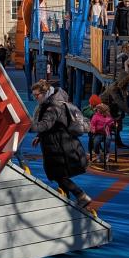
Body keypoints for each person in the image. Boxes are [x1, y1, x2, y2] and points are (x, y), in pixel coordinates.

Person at [30, 79, 93, 212]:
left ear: (45, 92)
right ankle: (67, 199)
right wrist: (39, 137)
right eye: (34, 95)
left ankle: (81, 195)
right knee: (58, 173)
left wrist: (27, 125)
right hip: (59, 143)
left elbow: (45, 124)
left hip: (59, 146)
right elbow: (55, 125)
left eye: (37, 95)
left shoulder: (52, 106)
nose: (35, 98)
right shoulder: (52, 102)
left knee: (58, 174)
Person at [100, 73, 129, 149]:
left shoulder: (121, 88)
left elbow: (123, 101)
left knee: (119, 120)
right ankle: (100, 141)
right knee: (110, 124)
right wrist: (128, 111)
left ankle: (118, 142)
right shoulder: (114, 88)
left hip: (112, 106)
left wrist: (125, 111)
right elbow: (118, 101)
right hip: (104, 106)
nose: (128, 85)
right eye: (127, 83)